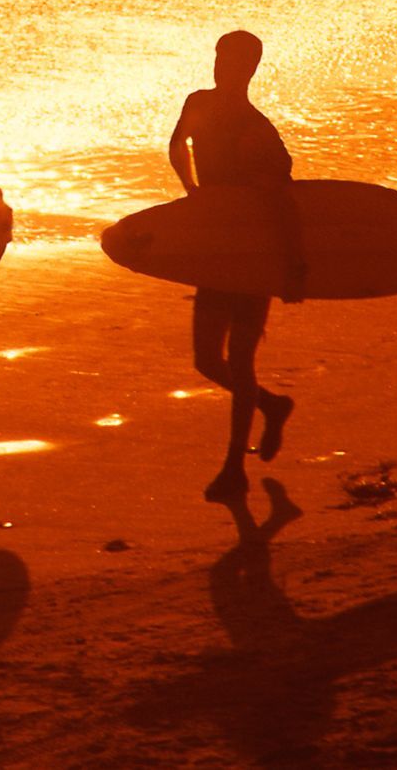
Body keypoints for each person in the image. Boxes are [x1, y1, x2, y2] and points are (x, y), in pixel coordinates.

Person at [169, 30, 302, 503]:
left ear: (249, 69)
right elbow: (176, 144)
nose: (221, 67)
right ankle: (272, 404)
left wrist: (291, 268)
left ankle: (232, 468)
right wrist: (190, 191)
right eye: (219, 57)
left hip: (252, 257)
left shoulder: (255, 130)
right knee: (206, 359)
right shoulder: (198, 102)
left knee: (241, 361)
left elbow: (283, 201)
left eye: (232, 61)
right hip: (216, 251)